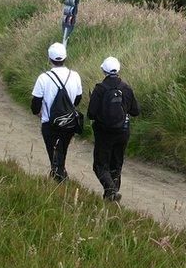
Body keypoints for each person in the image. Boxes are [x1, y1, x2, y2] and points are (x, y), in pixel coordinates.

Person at [86, 57, 140, 201]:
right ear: (118, 69)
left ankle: (110, 191)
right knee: (116, 166)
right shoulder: (126, 88)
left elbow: (91, 114)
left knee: (100, 166)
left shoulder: (100, 89)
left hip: (104, 134)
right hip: (123, 132)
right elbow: (136, 111)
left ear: (103, 70)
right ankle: (111, 199)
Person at [30, 43, 83, 182]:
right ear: (65, 57)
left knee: (53, 153)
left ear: (49, 59)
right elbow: (78, 99)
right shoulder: (75, 75)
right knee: (62, 150)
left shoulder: (43, 78)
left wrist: (38, 112)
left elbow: (35, 103)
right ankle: (59, 175)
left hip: (49, 122)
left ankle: (59, 177)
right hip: (69, 121)